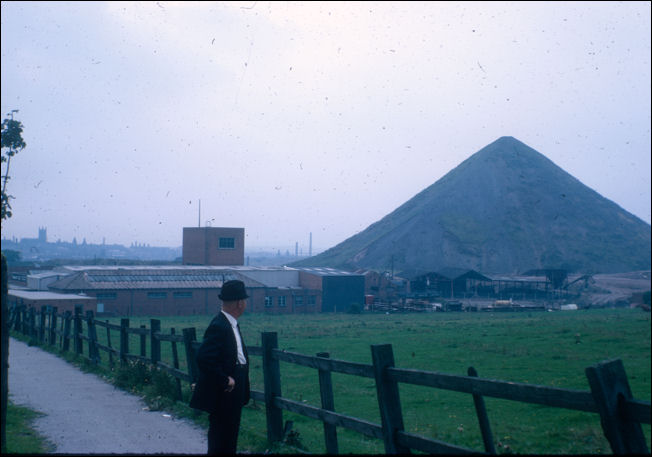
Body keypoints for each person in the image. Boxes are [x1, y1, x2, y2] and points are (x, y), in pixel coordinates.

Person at [190, 279, 251, 455]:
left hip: (234, 389)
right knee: (221, 437)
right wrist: (225, 379)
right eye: (244, 300)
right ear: (240, 303)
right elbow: (204, 358)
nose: (245, 304)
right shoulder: (220, 325)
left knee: (229, 435)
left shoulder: (230, 324)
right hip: (225, 391)